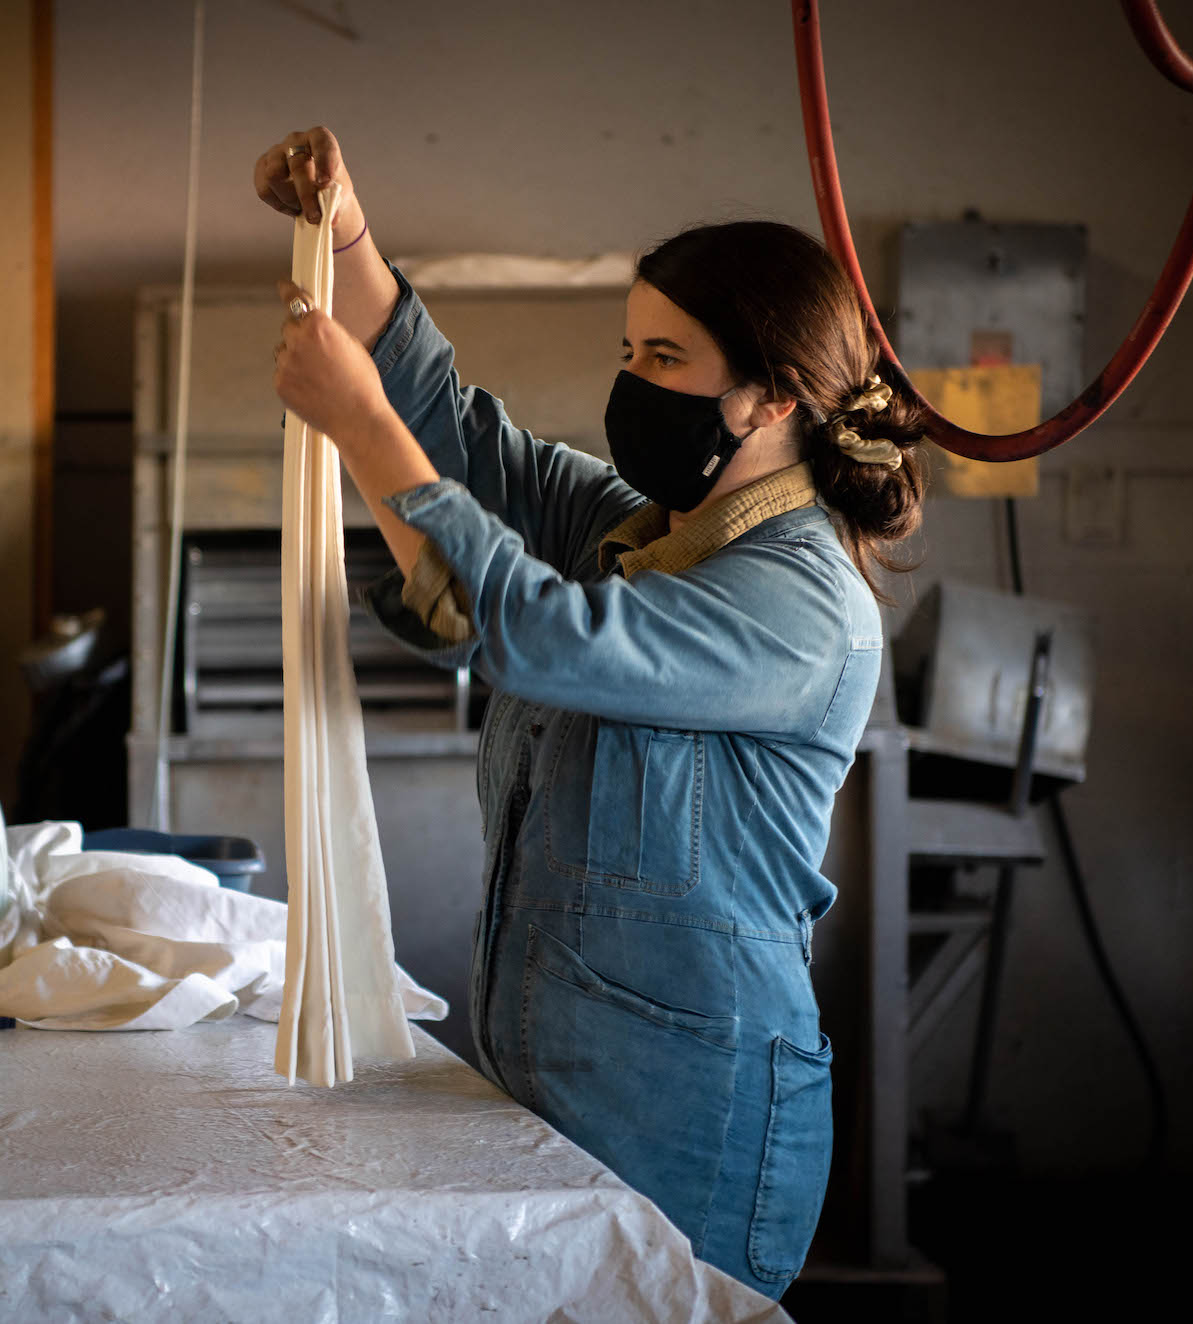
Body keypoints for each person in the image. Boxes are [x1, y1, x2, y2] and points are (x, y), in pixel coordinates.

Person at [255, 125, 926, 1299]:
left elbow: (538, 630)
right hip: (560, 1087)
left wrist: (360, 427)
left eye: (665, 358)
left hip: (696, 1125)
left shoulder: (800, 603)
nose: (633, 384)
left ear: (769, 395)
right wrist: (347, 233)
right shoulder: (643, 536)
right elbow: (466, 440)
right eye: (632, 349)